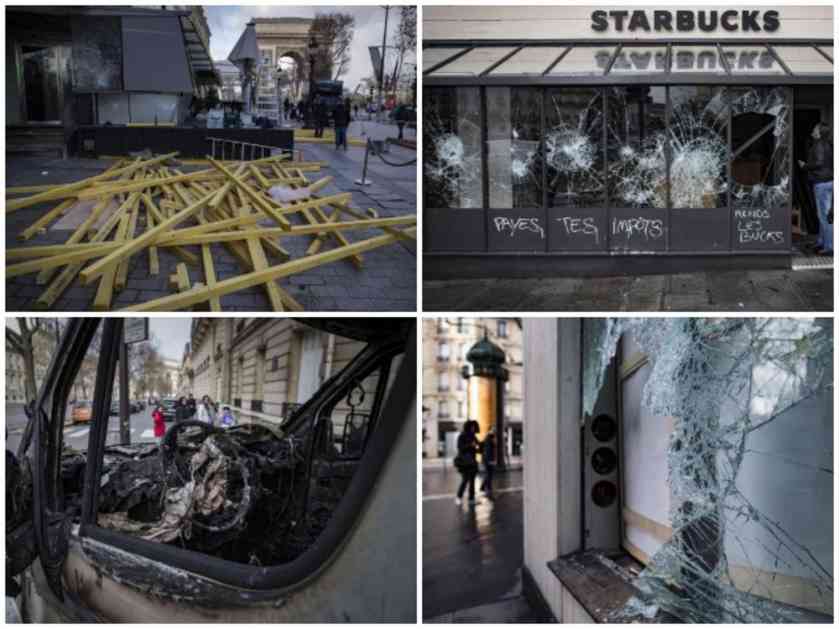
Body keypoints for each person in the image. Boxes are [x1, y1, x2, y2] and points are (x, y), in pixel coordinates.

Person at [799, 122, 833, 255]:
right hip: (829, 181)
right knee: (825, 215)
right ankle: (821, 241)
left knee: (825, 216)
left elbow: (818, 163)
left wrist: (805, 166)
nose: (812, 130)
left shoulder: (818, 145)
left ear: (819, 132)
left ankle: (829, 247)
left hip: (822, 183)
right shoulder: (829, 145)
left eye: (814, 128)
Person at [454, 420, 480, 506]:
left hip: (472, 462)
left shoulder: (473, 436)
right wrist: (470, 445)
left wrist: (480, 447)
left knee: (472, 481)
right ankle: (458, 497)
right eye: (471, 427)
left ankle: (471, 499)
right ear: (468, 427)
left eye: (474, 427)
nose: (473, 428)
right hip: (464, 462)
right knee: (465, 480)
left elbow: (478, 448)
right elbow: (460, 448)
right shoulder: (462, 436)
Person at [480, 432, 497, 499]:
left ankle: (483, 487)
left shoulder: (488, 442)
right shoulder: (489, 443)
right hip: (488, 461)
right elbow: (488, 452)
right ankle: (488, 489)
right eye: (494, 438)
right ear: (491, 438)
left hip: (487, 460)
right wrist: (491, 461)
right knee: (489, 475)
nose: (495, 439)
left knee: (488, 474)